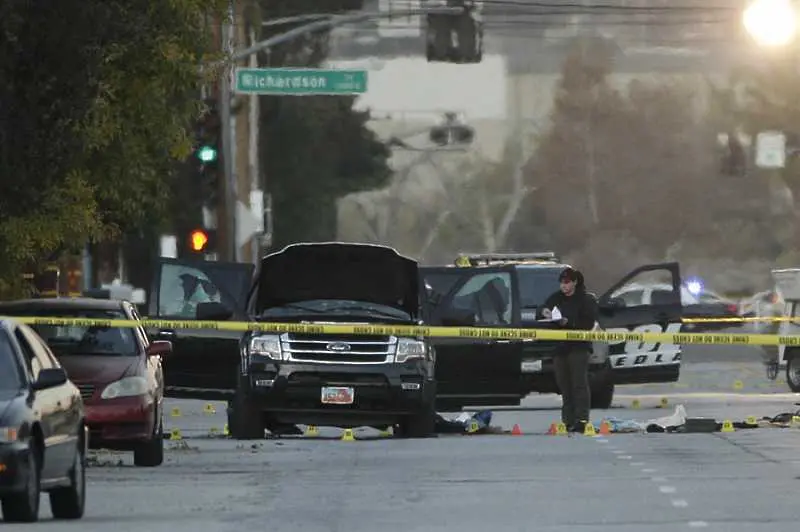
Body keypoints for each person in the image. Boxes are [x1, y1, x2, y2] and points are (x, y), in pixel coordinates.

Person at [541, 266, 598, 433]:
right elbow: (544, 307)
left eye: (566, 282)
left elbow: (588, 323)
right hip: (560, 348)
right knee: (564, 385)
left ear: (574, 282)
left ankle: (581, 419)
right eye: (561, 283)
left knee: (579, 384)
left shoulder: (586, 299)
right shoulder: (556, 298)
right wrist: (544, 311)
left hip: (579, 347)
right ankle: (567, 420)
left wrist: (569, 322)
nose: (563, 286)